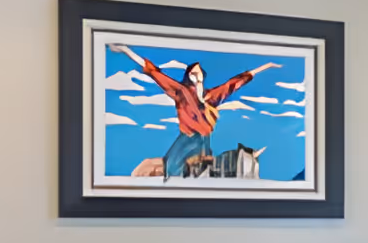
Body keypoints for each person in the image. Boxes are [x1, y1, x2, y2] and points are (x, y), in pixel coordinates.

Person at [108, 43, 280, 177]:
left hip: (204, 142)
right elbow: (156, 73)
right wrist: (126, 51)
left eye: (198, 74)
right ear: (188, 77)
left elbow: (233, 84)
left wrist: (264, 67)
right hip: (187, 140)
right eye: (192, 74)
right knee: (174, 169)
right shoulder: (181, 92)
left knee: (210, 170)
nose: (196, 77)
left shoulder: (211, 96)